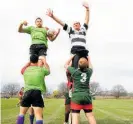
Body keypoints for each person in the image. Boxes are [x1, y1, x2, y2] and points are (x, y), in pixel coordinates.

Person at [46, 2, 90, 67]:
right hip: (75, 51)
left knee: (85, 67)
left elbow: (86, 20)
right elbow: (61, 22)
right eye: (74, 24)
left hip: (83, 50)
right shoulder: (71, 30)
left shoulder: (83, 30)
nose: (75, 24)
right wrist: (53, 16)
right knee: (75, 66)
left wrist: (87, 9)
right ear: (73, 26)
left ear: (80, 25)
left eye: (77, 23)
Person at [16, 54, 50, 124]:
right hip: (37, 93)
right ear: (37, 61)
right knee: (38, 116)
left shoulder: (25, 70)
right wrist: (45, 62)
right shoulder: (41, 70)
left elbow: (22, 70)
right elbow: (48, 71)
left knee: (21, 114)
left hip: (27, 93)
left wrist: (28, 63)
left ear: (30, 61)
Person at [64, 56, 97, 124]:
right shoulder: (89, 72)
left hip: (76, 97)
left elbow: (65, 65)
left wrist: (71, 57)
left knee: (75, 116)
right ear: (87, 64)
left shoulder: (74, 71)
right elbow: (91, 66)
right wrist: (89, 59)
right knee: (90, 116)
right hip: (87, 96)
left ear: (78, 64)